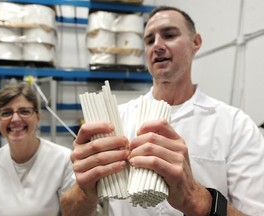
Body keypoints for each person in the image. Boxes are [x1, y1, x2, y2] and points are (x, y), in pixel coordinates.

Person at [60, 6, 264, 216]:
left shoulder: (235, 126)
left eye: (169, 35)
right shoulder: (115, 121)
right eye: (149, 40)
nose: (157, 45)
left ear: (196, 42)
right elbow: (69, 211)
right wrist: (85, 192)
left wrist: (195, 198)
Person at [0, 82, 74, 215]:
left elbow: (73, 211)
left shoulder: (62, 159)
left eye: (24, 111)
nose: (15, 119)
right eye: (6, 113)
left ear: (38, 116)